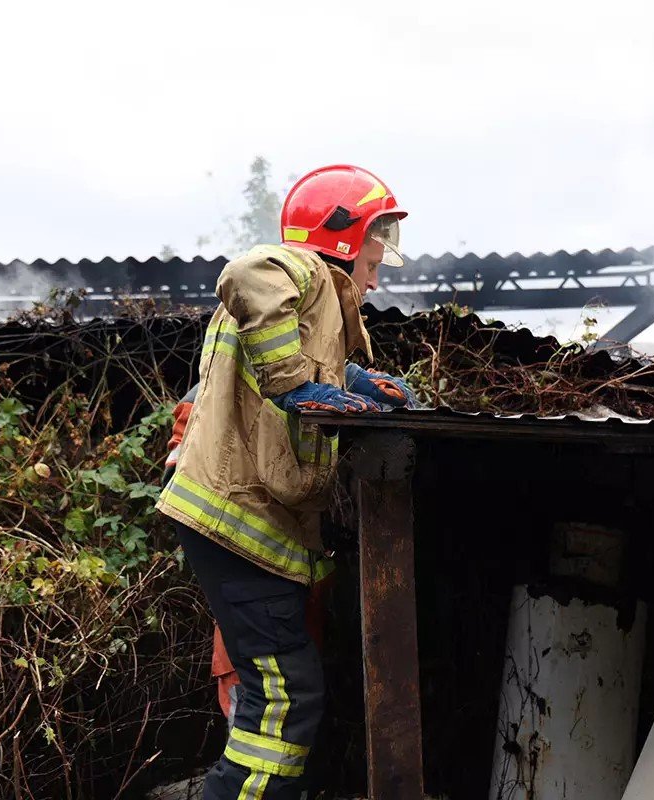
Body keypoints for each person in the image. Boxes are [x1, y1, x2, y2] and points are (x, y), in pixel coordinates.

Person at [156, 165, 416, 799]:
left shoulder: (314, 307)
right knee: (284, 695)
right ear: (346, 236)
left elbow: (294, 353)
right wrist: (297, 387)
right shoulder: (297, 269)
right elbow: (247, 274)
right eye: (379, 237)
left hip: (247, 527)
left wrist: (351, 381)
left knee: (281, 693)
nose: (382, 258)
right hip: (235, 521)